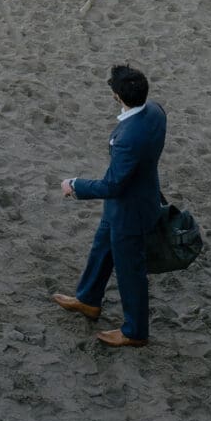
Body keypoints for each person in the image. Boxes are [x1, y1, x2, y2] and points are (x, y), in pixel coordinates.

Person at [54, 63, 167, 348]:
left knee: (130, 271)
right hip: (137, 200)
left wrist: (75, 185)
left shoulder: (127, 138)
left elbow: (112, 186)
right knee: (102, 247)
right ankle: (88, 299)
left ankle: (136, 331)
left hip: (130, 211)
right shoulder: (155, 111)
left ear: (118, 96)